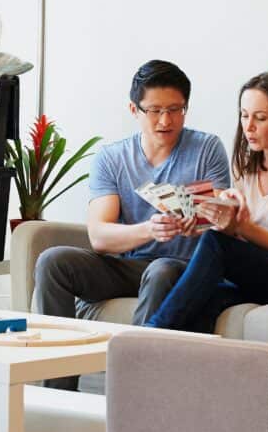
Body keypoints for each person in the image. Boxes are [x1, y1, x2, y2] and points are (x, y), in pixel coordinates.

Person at [34, 60, 230, 331]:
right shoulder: (112, 158)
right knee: (52, 261)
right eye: (154, 110)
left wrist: (197, 223)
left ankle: (133, 364)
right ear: (134, 109)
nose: (165, 120)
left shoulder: (207, 148)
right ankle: (57, 370)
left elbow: (223, 220)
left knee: (161, 270)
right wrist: (150, 229)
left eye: (176, 110)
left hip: (183, 268)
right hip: (130, 267)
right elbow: (100, 237)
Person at [144, 70, 268, 332]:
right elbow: (239, 237)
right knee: (203, 300)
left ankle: (149, 334)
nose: (248, 127)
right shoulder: (248, 163)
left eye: (260, 118)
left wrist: (240, 227)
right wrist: (212, 218)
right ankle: (173, 366)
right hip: (263, 276)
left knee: (216, 244)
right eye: (244, 115)